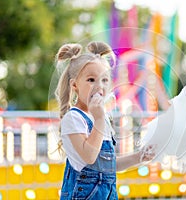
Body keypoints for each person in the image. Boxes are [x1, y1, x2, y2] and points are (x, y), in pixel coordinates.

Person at [54, 41, 155, 200]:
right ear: (75, 85)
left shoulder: (101, 119)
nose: (99, 86)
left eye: (104, 80)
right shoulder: (73, 118)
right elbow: (90, 157)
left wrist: (139, 156)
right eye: (91, 80)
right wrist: (100, 119)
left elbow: (107, 167)